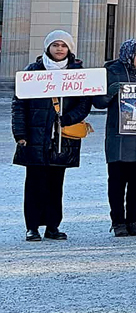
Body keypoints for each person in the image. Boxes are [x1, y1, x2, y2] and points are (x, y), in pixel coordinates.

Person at [12, 30, 93, 242]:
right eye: (55, 45)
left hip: (62, 137)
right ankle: (32, 227)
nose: (59, 49)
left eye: (63, 45)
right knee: (34, 183)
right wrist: (20, 133)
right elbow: (19, 104)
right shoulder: (33, 70)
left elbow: (84, 104)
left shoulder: (77, 72)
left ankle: (52, 226)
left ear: (69, 49)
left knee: (56, 184)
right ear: (48, 47)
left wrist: (67, 119)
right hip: (36, 135)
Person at [93, 38, 136, 237]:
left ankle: (133, 221)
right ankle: (118, 222)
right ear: (128, 55)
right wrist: (109, 93)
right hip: (119, 139)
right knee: (117, 183)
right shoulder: (112, 71)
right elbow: (98, 102)